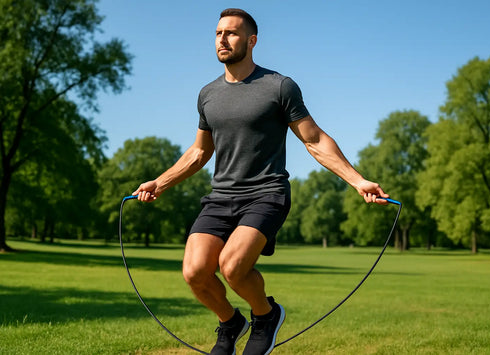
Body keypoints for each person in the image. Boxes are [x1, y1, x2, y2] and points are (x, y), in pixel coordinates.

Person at [133, 8, 389, 355]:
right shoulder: (208, 94)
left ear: (252, 41)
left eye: (232, 33)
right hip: (221, 197)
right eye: (219, 33)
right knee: (194, 272)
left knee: (233, 266)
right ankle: (230, 322)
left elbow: (313, 139)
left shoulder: (279, 87)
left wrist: (358, 181)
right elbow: (198, 152)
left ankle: (265, 316)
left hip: (265, 193)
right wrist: (159, 183)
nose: (223, 39)